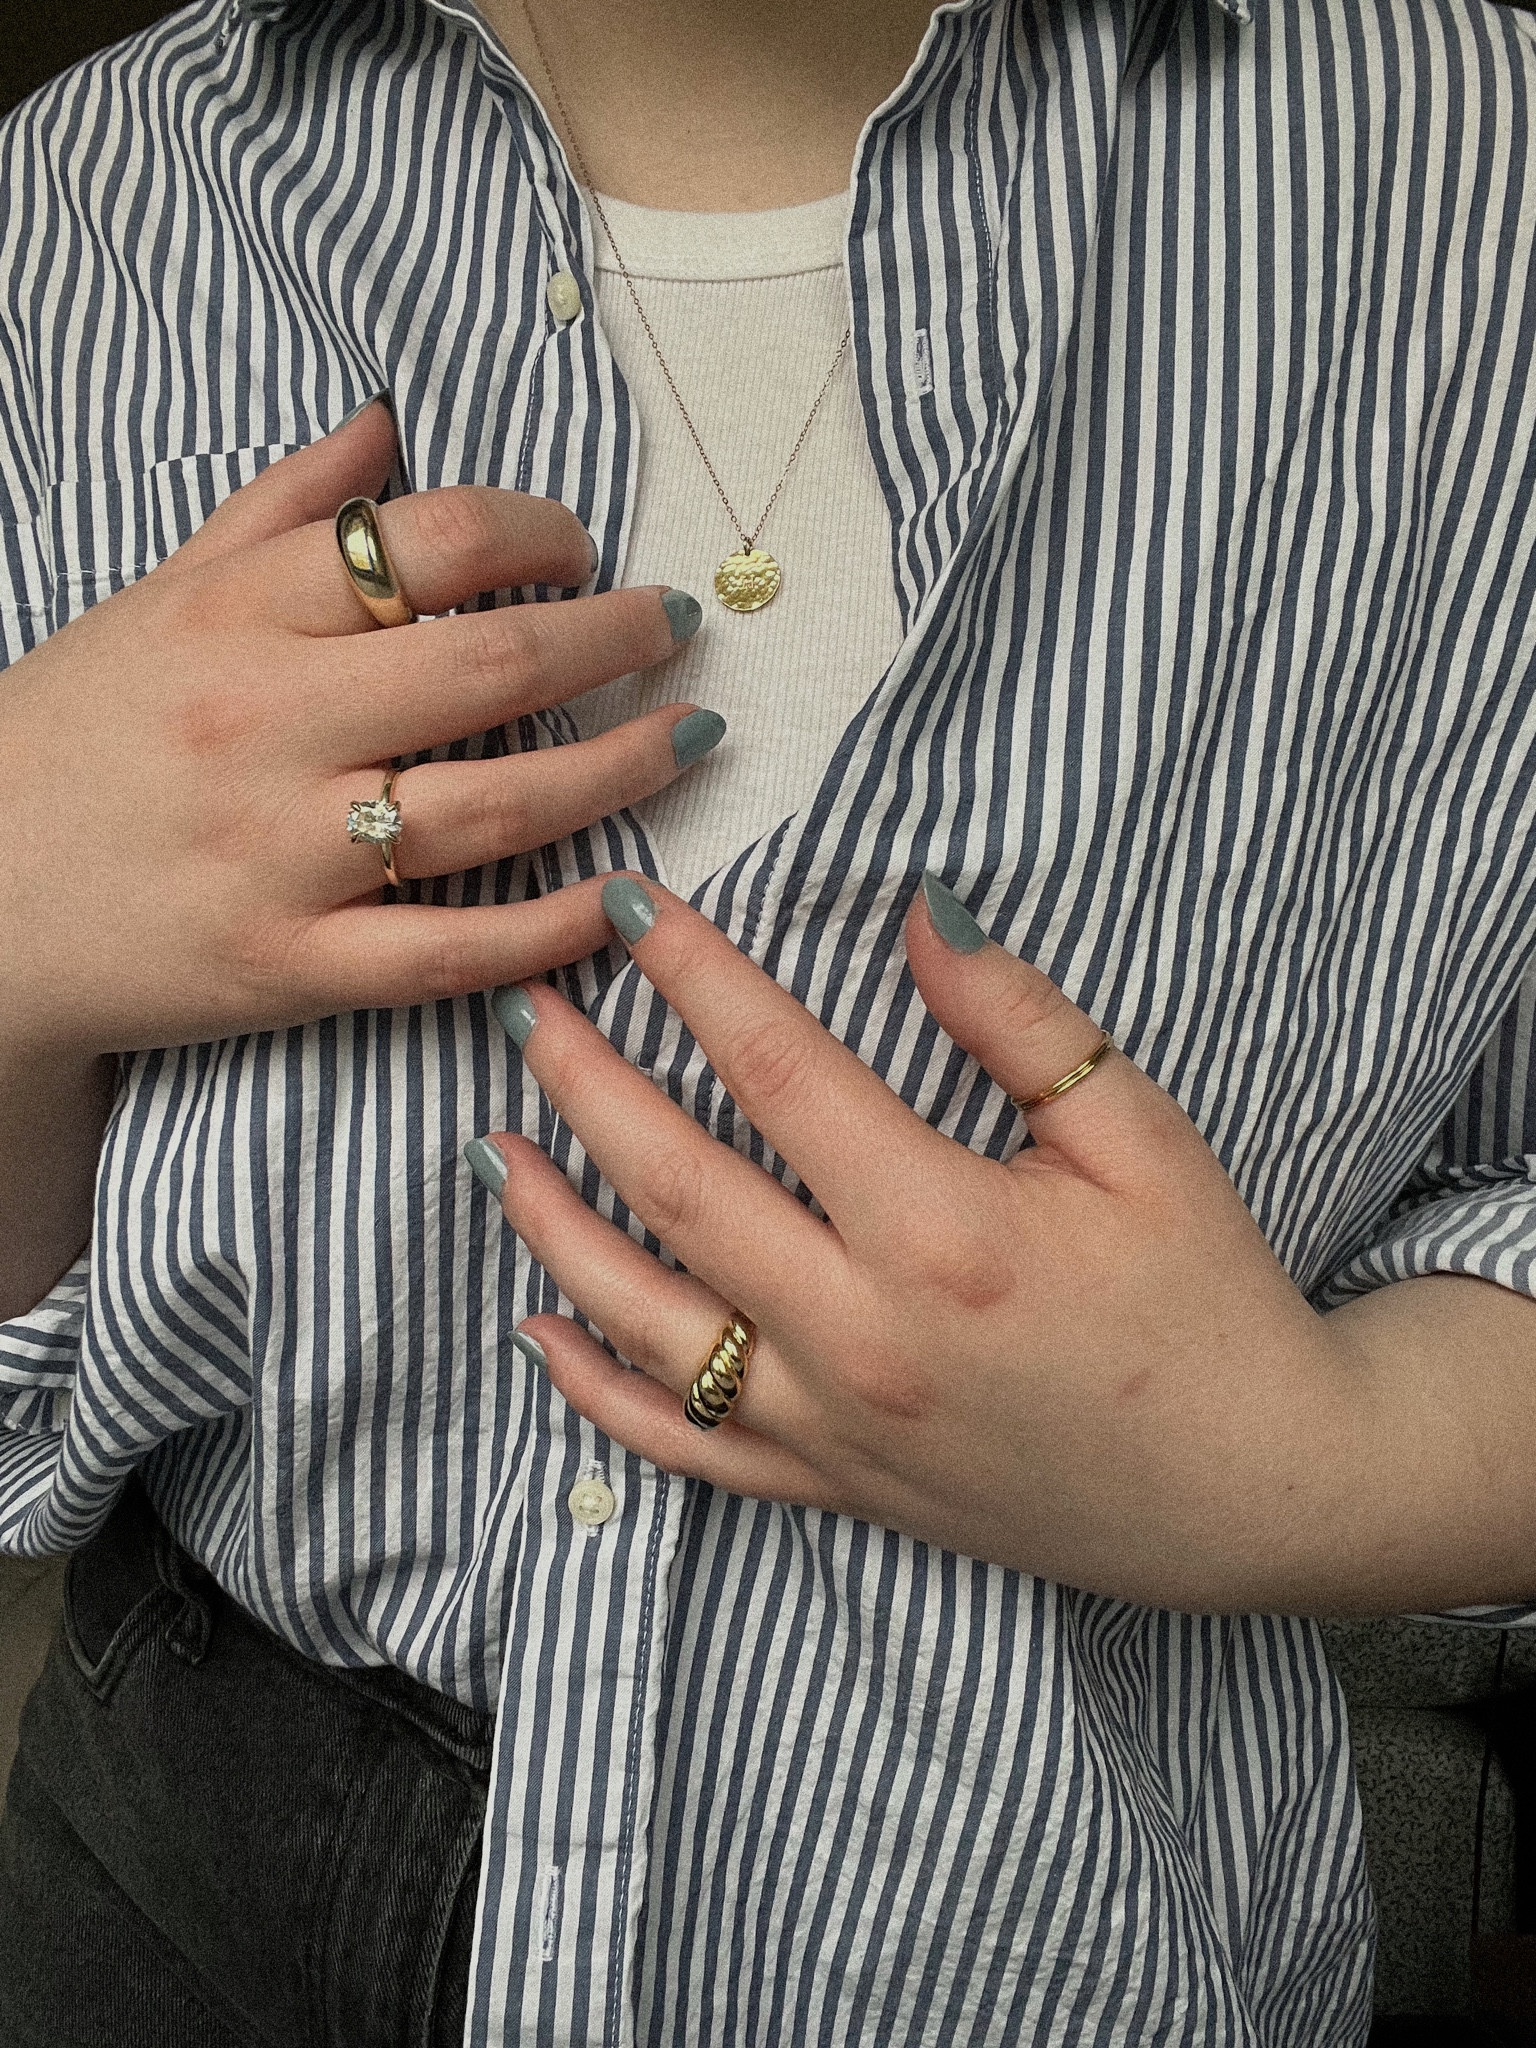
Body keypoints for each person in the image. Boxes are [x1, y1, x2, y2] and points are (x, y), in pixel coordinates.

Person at [2, 0, 1536, 2039]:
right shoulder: (89, 194)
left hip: (1031, 1914)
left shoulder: (1473, 160)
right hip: (177, 1821)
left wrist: (1320, 1463)